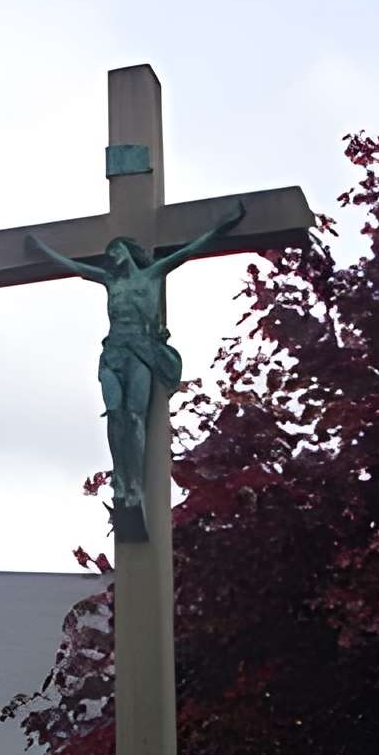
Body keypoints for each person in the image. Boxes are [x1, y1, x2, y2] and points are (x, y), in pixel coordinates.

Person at [26, 202, 243, 533]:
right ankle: (121, 480)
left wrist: (221, 228)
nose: (111, 257)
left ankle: (135, 484)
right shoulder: (109, 282)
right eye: (109, 253)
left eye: (116, 251)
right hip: (113, 352)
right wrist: (41, 249)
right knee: (114, 412)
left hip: (140, 353)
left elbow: (190, 249)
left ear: (127, 252)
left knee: (133, 415)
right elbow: (72, 265)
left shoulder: (152, 274)